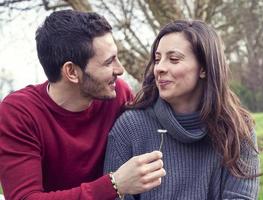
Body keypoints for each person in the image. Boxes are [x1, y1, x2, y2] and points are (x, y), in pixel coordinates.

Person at [0, 10, 166, 200]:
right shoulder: (20, 113)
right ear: (71, 72)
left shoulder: (117, 94)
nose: (120, 69)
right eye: (108, 62)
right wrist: (115, 184)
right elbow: (25, 197)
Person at [104, 20, 260, 199]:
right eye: (157, 59)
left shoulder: (239, 129)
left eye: (174, 59)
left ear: (204, 68)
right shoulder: (129, 128)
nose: (160, 68)